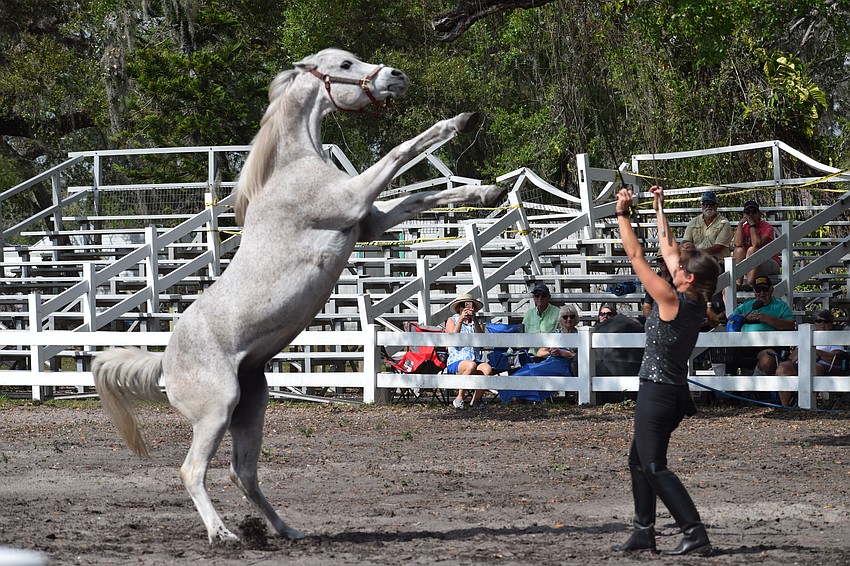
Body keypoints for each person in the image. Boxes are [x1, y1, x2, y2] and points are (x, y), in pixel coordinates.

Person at [611, 185, 720, 556]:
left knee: (654, 466)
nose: (674, 265)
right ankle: (644, 531)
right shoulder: (697, 297)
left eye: (680, 269)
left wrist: (623, 214)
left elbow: (636, 254)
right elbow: (668, 246)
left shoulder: (671, 298)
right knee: (638, 460)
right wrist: (658, 205)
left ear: (687, 277)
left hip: (658, 392)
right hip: (669, 393)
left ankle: (694, 532)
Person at [726, 275, 795, 378]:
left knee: (768, 359)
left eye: (765, 289)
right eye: (758, 290)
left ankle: (752, 387)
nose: (762, 293)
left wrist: (767, 319)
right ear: (754, 291)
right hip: (744, 345)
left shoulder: (781, 306)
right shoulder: (747, 305)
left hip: (769, 346)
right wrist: (746, 317)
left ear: (771, 290)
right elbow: (731, 318)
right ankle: (727, 389)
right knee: (723, 354)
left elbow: (791, 325)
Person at [776, 309, 846, 406]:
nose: (822, 324)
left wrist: (813, 351)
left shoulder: (834, 338)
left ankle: (807, 403)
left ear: (830, 324)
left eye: (826, 321)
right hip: (800, 364)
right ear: (814, 323)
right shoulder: (806, 336)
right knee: (783, 367)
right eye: (819, 321)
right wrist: (800, 353)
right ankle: (785, 406)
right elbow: (791, 358)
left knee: (813, 367)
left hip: (822, 366)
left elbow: (836, 359)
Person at [446, 293, 492, 409]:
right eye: (463, 306)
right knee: (470, 365)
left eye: (469, 306)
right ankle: (459, 397)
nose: (466, 309)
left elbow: (481, 340)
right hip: (457, 360)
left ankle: (475, 401)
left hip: (475, 358)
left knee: (487, 369)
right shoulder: (452, 320)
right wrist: (461, 319)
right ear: (459, 308)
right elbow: (452, 339)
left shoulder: (478, 322)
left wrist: (474, 319)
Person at [733, 200, 780, 289]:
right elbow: (737, 243)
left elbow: (756, 244)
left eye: (754, 212)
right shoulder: (743, 227)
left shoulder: (767, 227)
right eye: (748, 212)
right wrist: (740, 224)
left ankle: (751, 284)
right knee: (738, 250)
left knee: (752, 250)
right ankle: (737, 283)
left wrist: (752, 225)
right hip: (750, 263)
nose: (751, 214)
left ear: (759, 214)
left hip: (769, 262)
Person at [681, 191, 733, 265]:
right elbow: (685, 241)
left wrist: (695, 252)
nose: (708, 207)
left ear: (716, 206)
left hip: (716, 262)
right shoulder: (693, 221)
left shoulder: (724, 223)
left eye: (711, 204)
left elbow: (717, 248)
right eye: (705, 204)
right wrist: (685, 247)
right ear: (701, 206)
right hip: (695, 260)